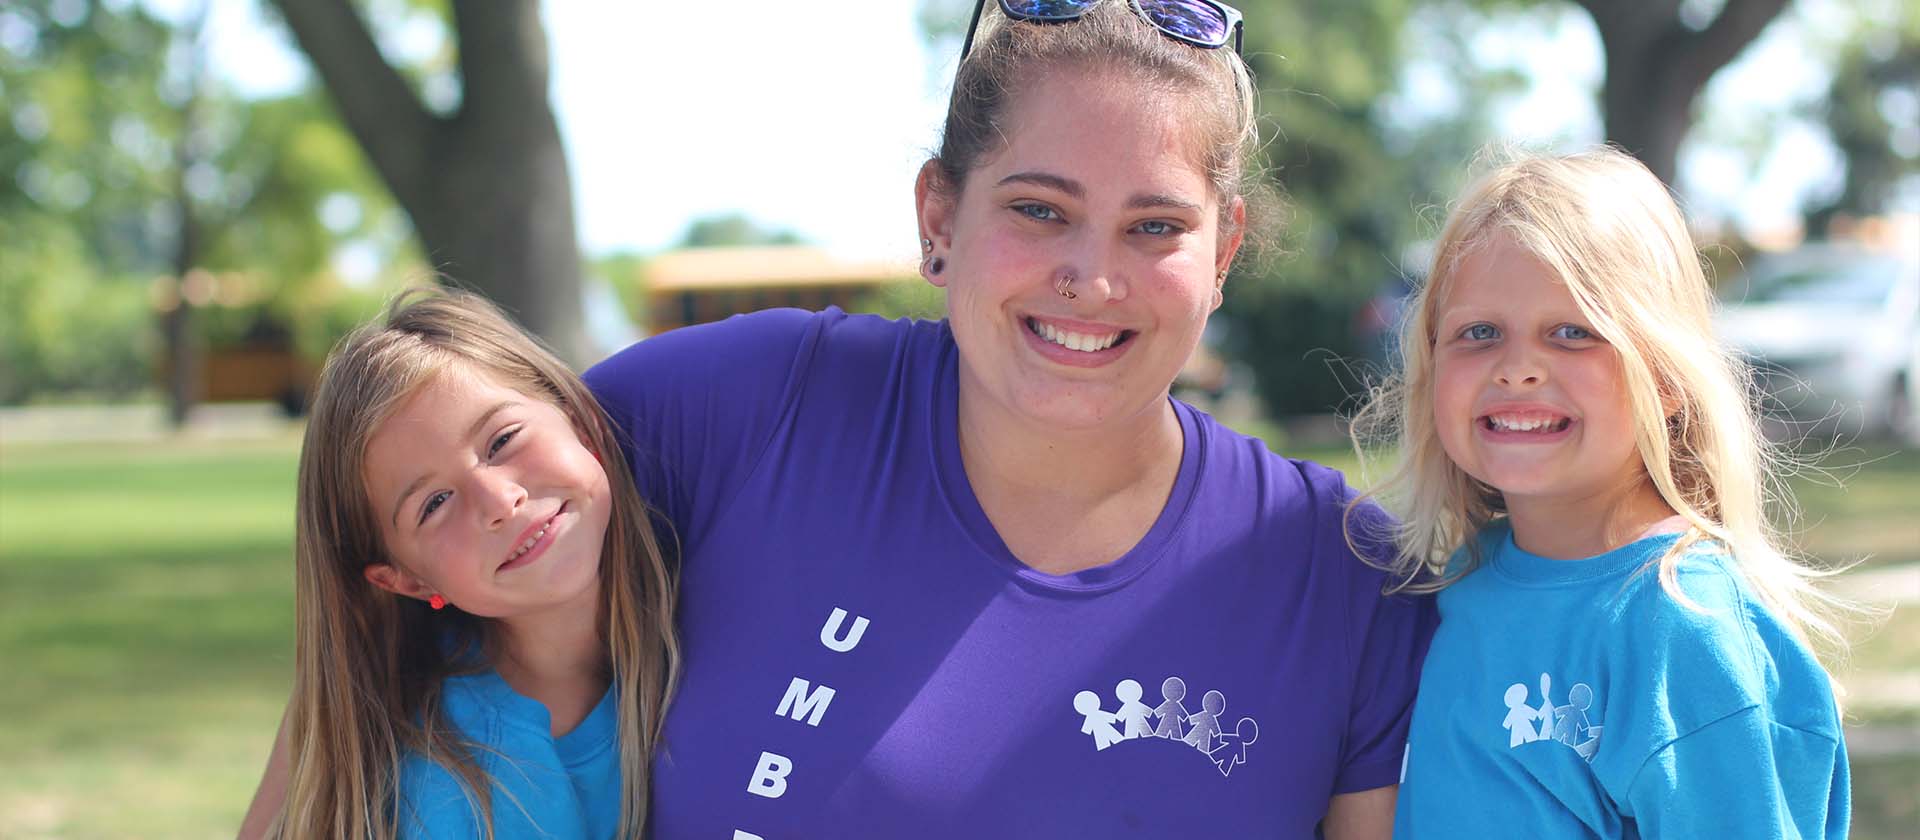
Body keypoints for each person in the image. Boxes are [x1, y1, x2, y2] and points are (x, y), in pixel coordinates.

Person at [241, 2, 1431, 836]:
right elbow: (403, 594)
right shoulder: (749, 406)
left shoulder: (1341, 574)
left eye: (1155, 226)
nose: (1093, 276)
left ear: (1223, 249)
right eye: (1039, 207)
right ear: (937, 217)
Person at [1350, 148, 1851, 838]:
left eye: (1573, 332)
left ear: (1668, 376)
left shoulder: (1686, 632)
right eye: (1480, 333)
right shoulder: (1460, 587)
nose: (1519, 368)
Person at [259, 290, 677, 838]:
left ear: (579, 421)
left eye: (503, 440)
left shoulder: (726, 640)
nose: (500, 501)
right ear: (407, 579)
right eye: (433, 503)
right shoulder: (394, 764)